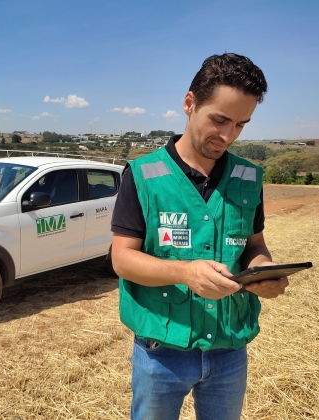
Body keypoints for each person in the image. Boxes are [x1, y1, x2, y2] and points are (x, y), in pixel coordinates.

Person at [111, 53, 289, 420]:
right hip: (161, 351)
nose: (228, 135)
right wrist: (184, 272)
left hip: (229, 349)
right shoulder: (143, 176)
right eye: (220, 119)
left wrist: (264, 270)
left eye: (241, 124)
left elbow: (254, 245)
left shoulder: (248, 178)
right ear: (189, 104)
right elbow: (122, 258)